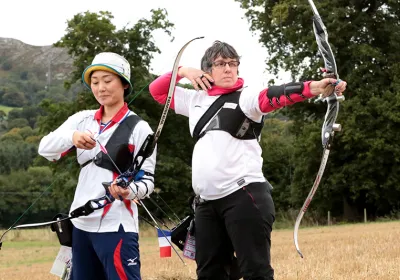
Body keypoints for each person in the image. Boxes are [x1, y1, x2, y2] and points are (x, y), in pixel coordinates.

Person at [149, 41, 347, 280]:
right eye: (221, 64)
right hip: (206, 204)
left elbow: (274, 95)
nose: (228, 69)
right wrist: (182, 71)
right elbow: (157, 91)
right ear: (206, 70)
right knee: (209, 273)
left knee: (255, 271)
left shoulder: (247, 97)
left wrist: (314, 87)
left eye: (233, 64)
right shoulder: (194, 100)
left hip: (244, 196)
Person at [39, 52, 157, 280]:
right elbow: (45, 148)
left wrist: (128, 191)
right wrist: (71, 137)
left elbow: (147, 181)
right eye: (95, 82)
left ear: (124, 84)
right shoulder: (82, 119)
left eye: (107, 80)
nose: (101, 87)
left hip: (117, 226)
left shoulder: (141, 128)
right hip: (80, 224)